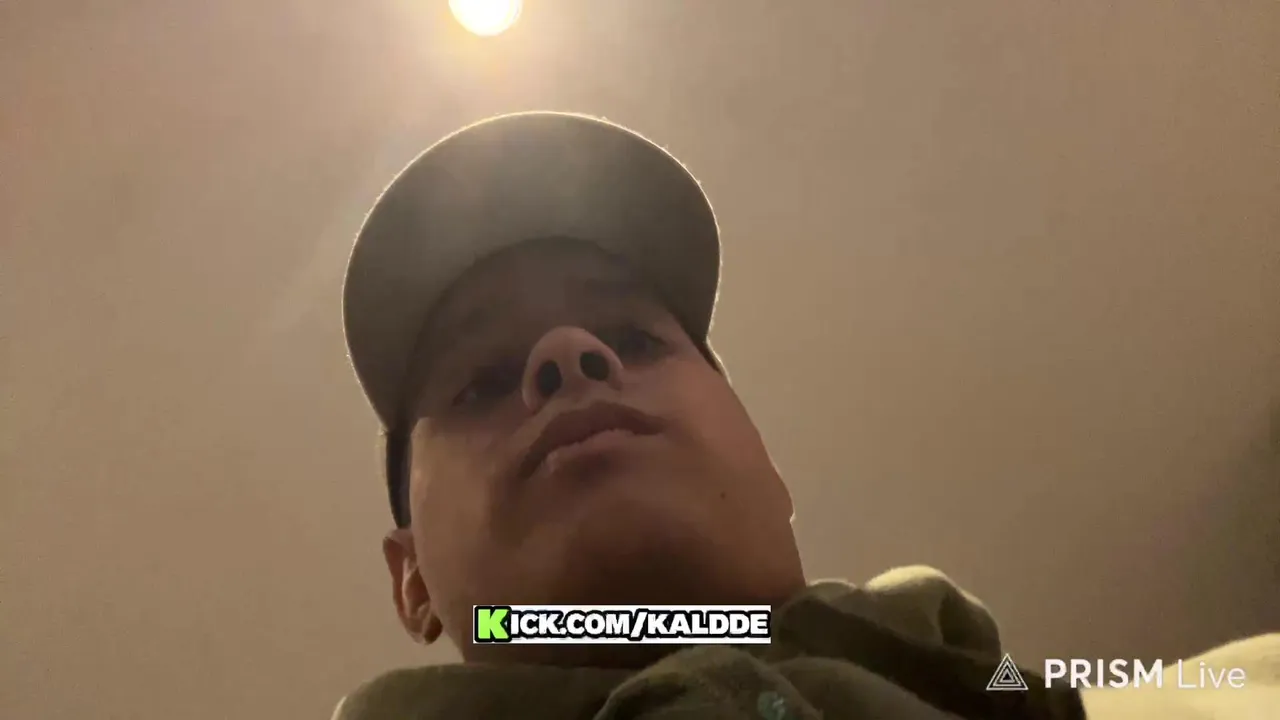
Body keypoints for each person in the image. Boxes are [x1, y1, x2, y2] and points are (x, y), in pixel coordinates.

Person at [334, 112, 1276, 720]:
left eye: (633, 338)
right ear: (410, 581)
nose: (570, 356)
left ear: (768, 465)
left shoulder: (956, 652)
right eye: (485, 380)